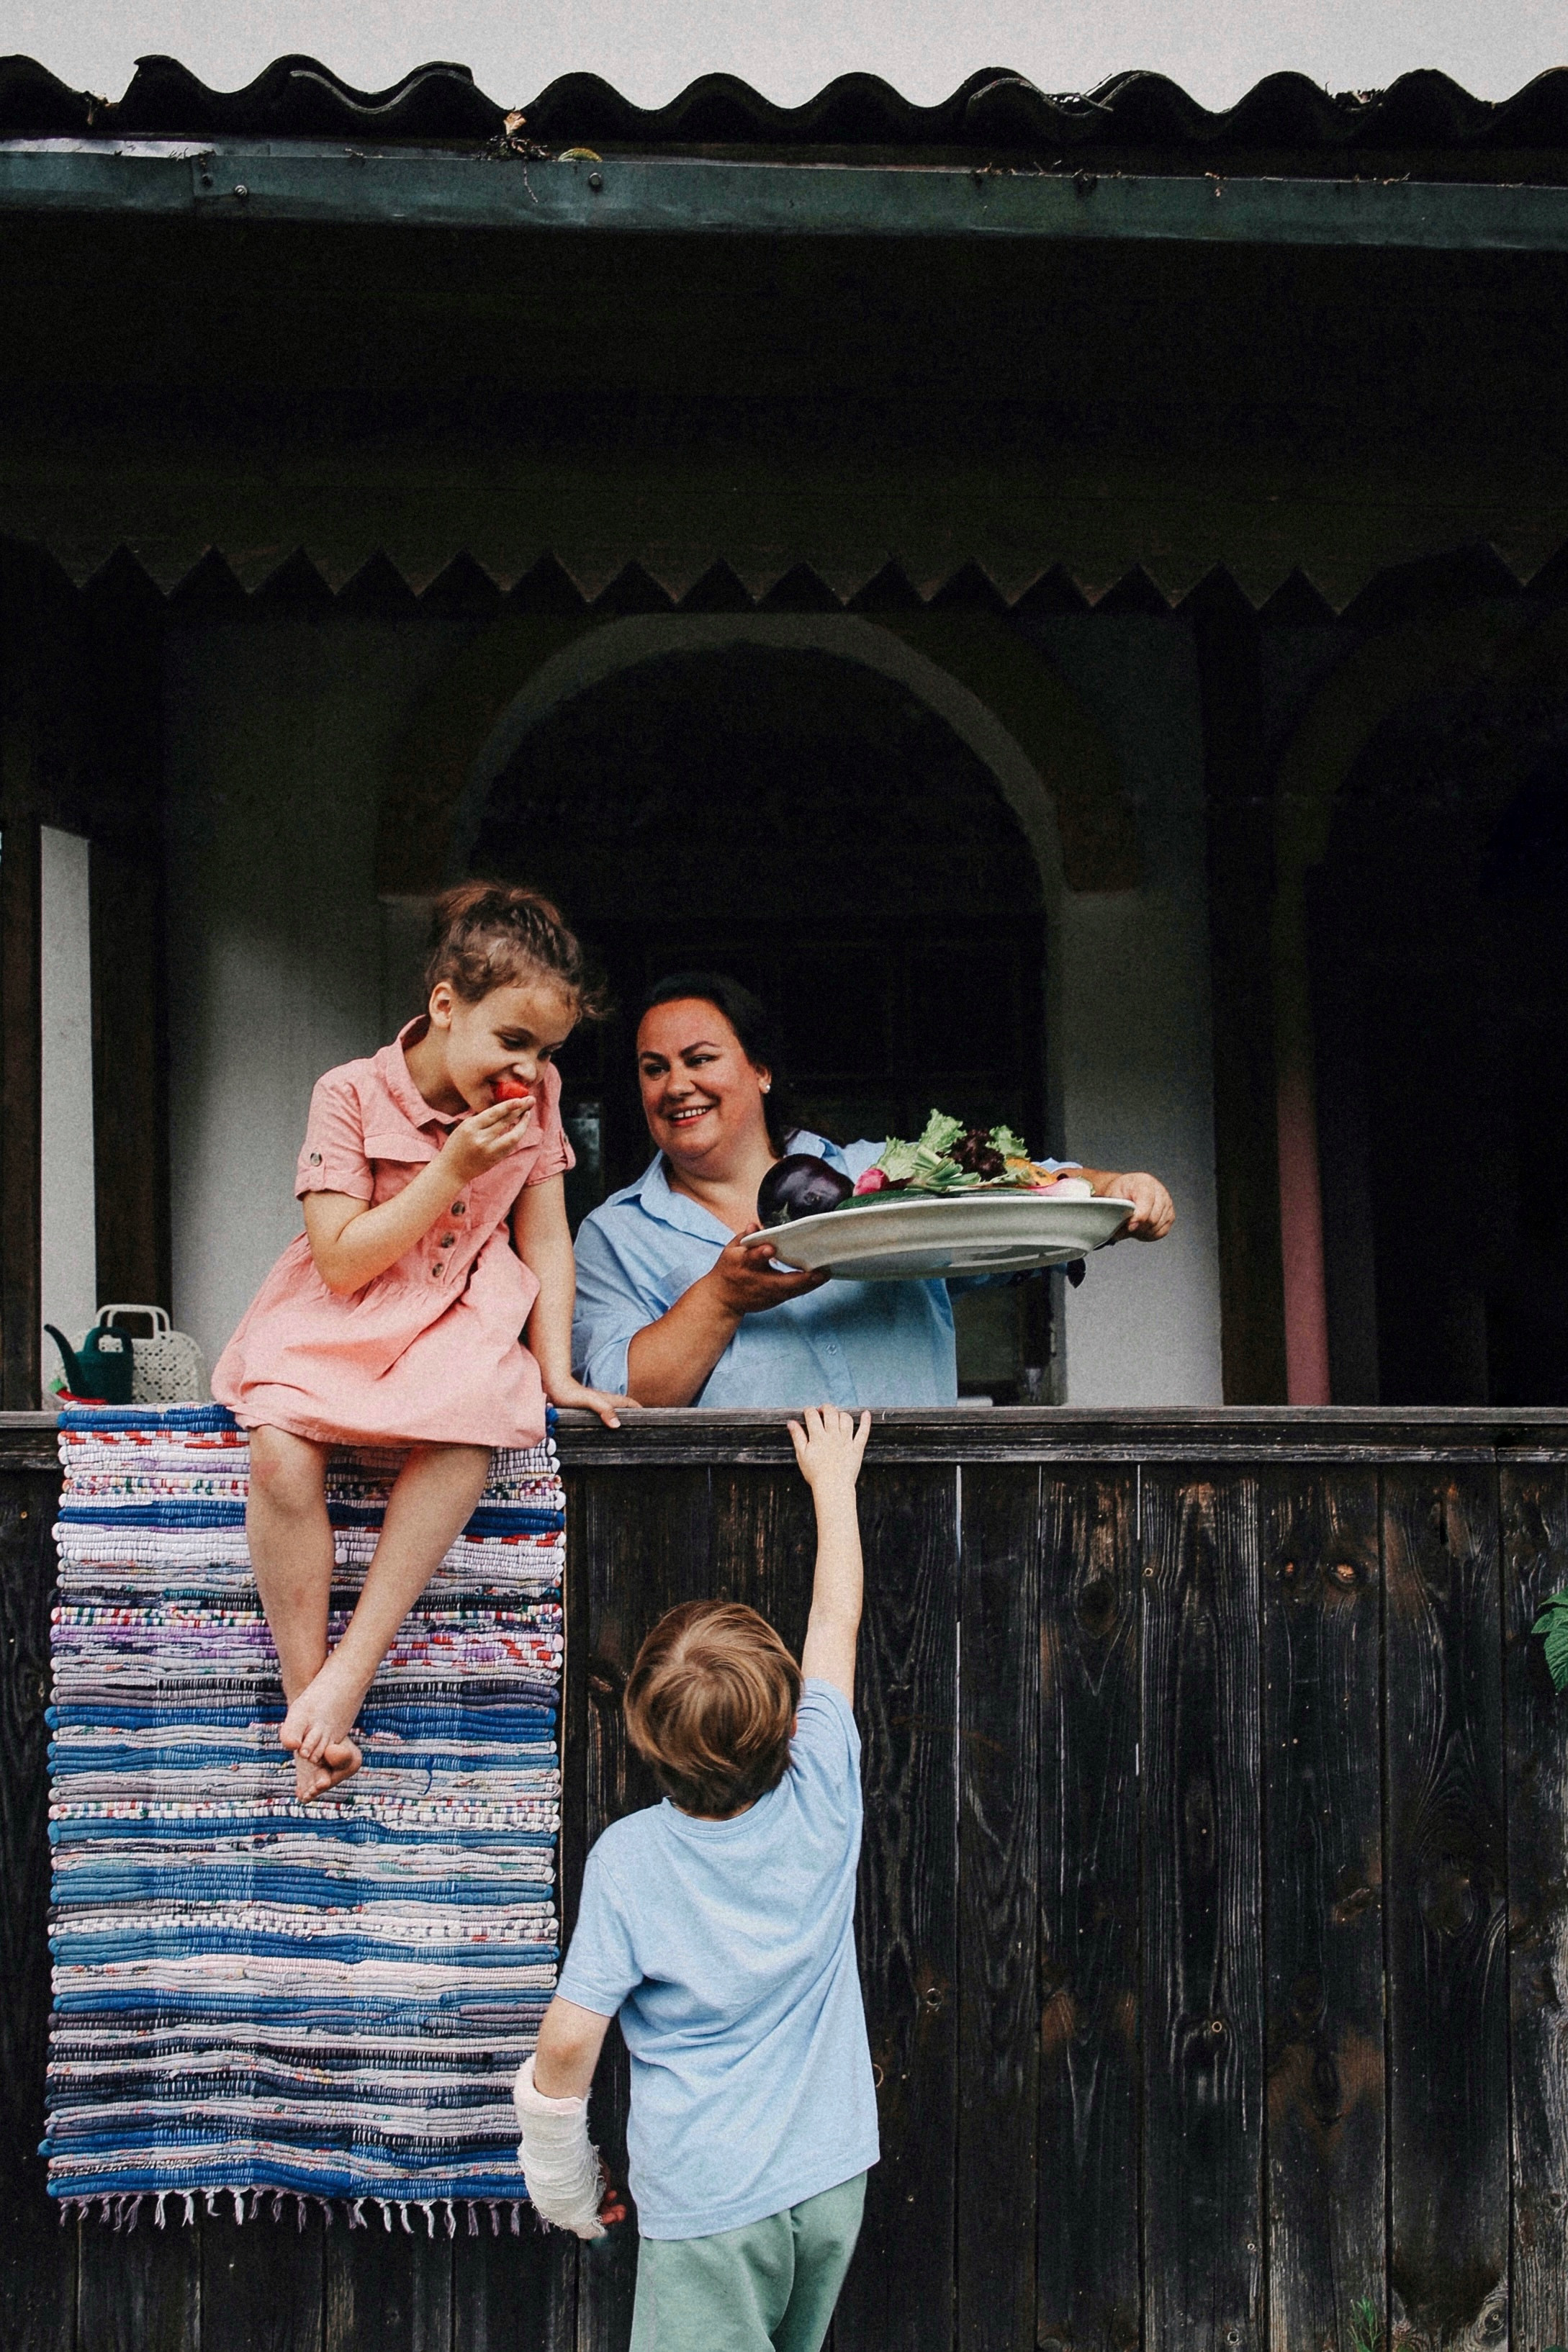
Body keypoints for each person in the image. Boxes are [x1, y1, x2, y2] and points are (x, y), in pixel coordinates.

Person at [212, 882, 626, 1801]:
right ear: (446, 1005)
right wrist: (451, 1167)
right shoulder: (349, 1093)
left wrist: (556, 1369)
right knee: (279, 1448)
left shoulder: (540, 1097)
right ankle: (305, 1703)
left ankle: (351, 1670)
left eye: (548, 1051)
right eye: (512, 1042)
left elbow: (546, 1234)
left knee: (472, 1425)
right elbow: (342, 1260)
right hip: (346, 1304)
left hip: (455, 1309)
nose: (529, 1071)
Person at [514, 1403, 878, 2352]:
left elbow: (565, 2044)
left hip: (712, 2201)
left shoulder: (631, 1862)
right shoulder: (824, 1777)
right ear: (789, 1713)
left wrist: (563, 2177)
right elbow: (835, 1615)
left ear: (643, 1736)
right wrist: (833, 1489)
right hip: (832, 2175)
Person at [572, 971, 1176, 1408]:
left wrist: (1112, 1188)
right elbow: (616, 1399)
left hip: (919, 1519)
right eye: (654, 1068)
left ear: (761, 1071)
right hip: (742, 1532)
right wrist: (719, 1300)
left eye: (699, 1059)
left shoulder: (879, 1177)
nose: (677, 1084)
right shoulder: (616, 1234)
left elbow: (1022, 1186)